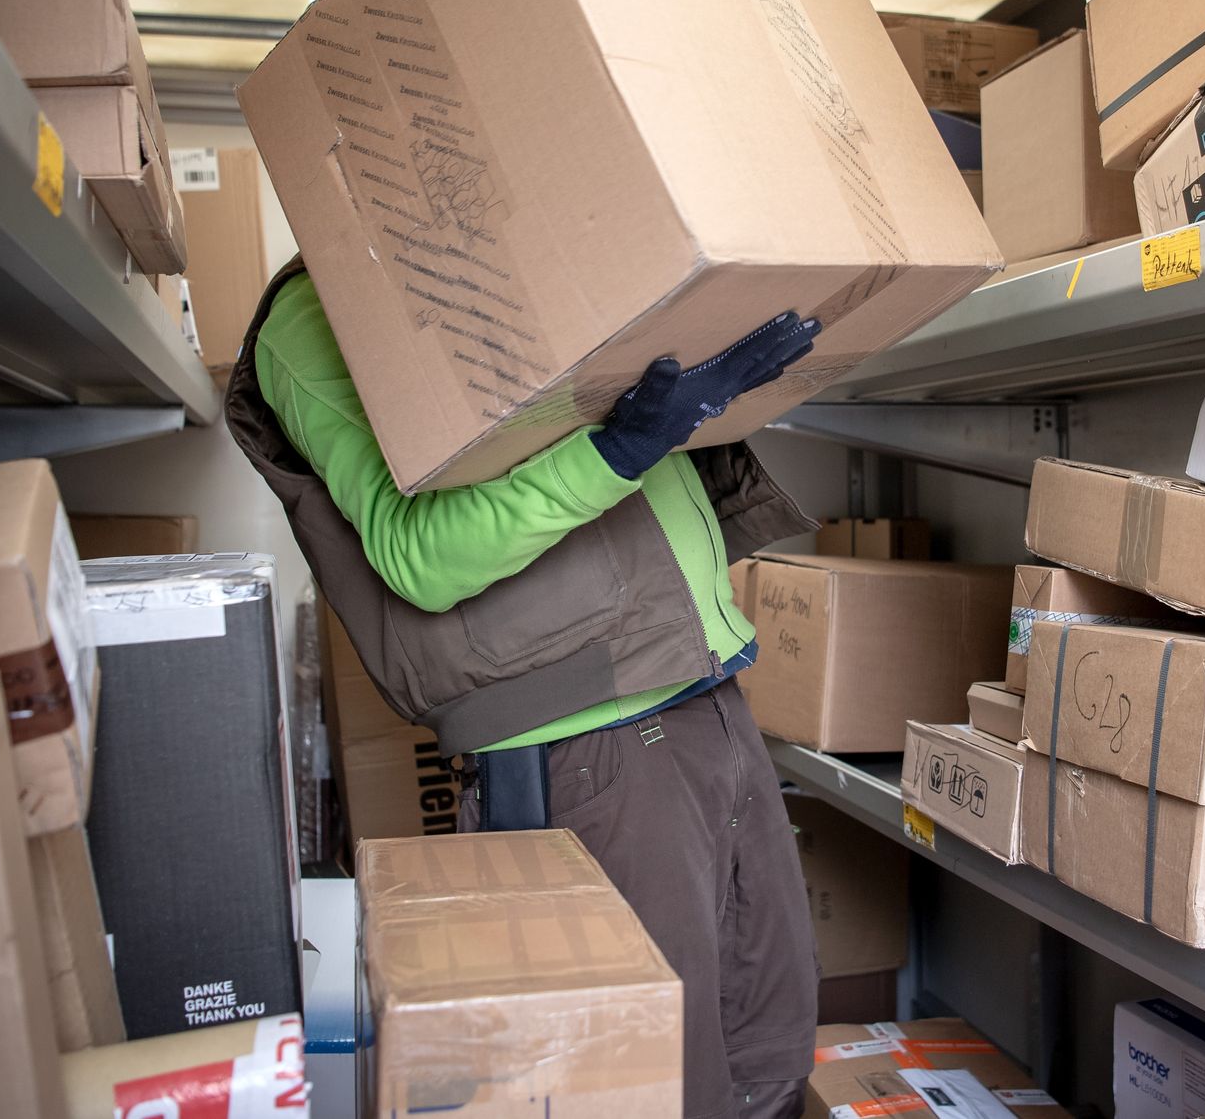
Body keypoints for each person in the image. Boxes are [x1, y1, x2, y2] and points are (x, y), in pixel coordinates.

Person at [226, 258, 825, 1119]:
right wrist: (622, 447)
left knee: (768, 1063)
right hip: (582, 741)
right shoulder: (310, 314)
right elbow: (419, 556)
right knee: (645, 1092)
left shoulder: (528, 246)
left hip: (707, 692)